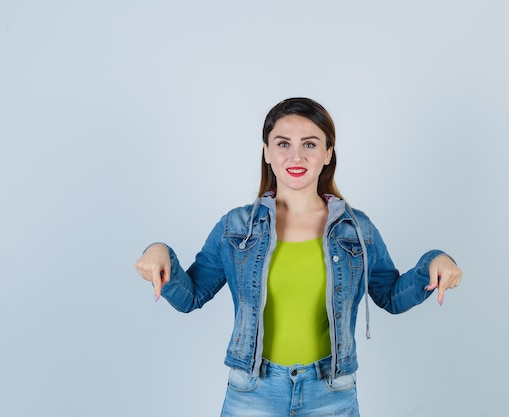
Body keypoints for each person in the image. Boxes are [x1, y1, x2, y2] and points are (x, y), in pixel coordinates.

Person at [134, 97, 463, 417]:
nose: (296, 155)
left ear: (327, 153)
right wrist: (160, 252)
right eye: (282, 144)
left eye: (309, 144)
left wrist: (434, 262)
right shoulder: (236, 228)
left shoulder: (357, 229)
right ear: (266, 152)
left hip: (332, 392)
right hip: (253, 391)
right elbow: (191, 295)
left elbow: (391, 295)